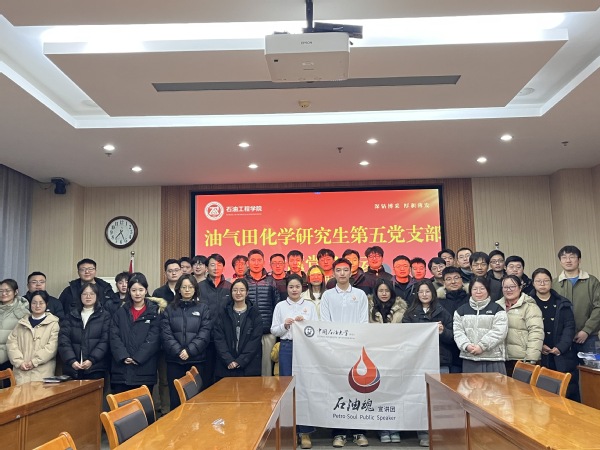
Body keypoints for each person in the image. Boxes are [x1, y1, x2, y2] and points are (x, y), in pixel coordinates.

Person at [321, 258, 369, 448]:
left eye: (345, 270)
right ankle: (338, 433)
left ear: (351, 272)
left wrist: (355, 342)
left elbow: (363, 322)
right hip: (335, 350)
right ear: (333, 273)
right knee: (337, 390)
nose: (342, 273)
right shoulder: (327, 296)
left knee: (358, 389)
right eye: (338, 270)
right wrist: (335, 345)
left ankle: (359, 432)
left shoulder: (360, 294)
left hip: (356, 350)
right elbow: (325, 322)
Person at [403, 280, 454, 448]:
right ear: (416, 294)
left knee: (441, 400)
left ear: (433, 293)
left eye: (427, 291)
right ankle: (424, 433)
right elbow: (405, 337)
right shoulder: (410, 314)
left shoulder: (443, 312)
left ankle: (441, 433)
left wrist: (443, 332)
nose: (424, 294)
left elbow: (453, 337)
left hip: (440, 361)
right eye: (421, 292)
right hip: (418, 363)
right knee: (421, 399)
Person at [271, 274, 317, 449]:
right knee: (287, 389)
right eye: (291, 287)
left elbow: (316, 328)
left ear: (302, 287)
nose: (294, 290)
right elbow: (274, 330)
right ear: (287, 288)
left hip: (305, 347)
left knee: (305, 387)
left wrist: (305, 325)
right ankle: (289, 431)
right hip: (287, 347)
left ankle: (305, 432)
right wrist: (285, 326)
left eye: (297, 286)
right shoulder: (280, 306)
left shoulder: (309, 306)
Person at [161, 274, 211, 410]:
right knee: (175, 399)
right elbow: (166, 334)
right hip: (175, 361)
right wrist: (179, 351)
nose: (187, 290)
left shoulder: (203, 308)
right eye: (184, 287)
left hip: (196, 360)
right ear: (178, 289)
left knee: (196, 400)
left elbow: (205, 333)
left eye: (190, 287)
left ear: (195, 289)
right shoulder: (170, 309)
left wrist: (189, 351)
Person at [367, 278, 407, 444]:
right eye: (380, 291)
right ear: (376, 292)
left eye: (387, 291)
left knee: (395, 392)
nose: (384, 294)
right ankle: (383, 429)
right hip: (375, 355)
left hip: (396, 356)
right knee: (379, 392)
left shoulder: (402, 309)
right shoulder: (368, 308)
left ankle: (395, 428)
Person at [110, 273, 163, 394]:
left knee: (143, 404)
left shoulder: (154, 312)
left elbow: (154, 339)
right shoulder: (120, 312)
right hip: (121, 369)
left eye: (141, 290)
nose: (137, 293)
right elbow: (114, 336)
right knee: (121, 404)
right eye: (134, 290)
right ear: (129, 291)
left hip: (145, 369)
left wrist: (138, 358)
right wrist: (123, 356)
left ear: (146, 291)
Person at [530, 268, 579, 401]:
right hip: (539, 353)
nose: (542, 284)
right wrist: (539, 345)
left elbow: (569, 327)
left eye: (546, 281)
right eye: (538, 281)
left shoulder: (562, 302)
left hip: (561, 353)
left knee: (566, 391)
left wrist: (561, 347)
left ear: (551, 282)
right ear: (533, 283)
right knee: (541, 394)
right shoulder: (528, 302)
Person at [552, 245, 600, 358]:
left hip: (588, 337)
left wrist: (586, 330)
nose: (568, 260)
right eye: (564, 257)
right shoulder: (554, 284)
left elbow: (598, 308)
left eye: (572, 257)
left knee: (590, 368)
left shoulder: (592, 281)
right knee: (566, 369)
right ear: (560, 261)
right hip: (562, 338)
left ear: (579, 260)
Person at [453, 276, 508, 374]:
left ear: (488, 290)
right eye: (475, 289)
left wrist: (482, 346)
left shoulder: (497, 309)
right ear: (470, 291)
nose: (478, 292)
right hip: (469, 358)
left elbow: (499, 332)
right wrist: (466, 345)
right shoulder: (461, 311)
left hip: (493, 359)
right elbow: (458, 332)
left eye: (482, 288)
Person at [58, 282, 111, 380]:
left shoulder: (105, 316)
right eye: (85, 294)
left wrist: (92, 360)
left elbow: (105, 341)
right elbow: (63, 340)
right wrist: (72, 360)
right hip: (73, 369)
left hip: (96, 368)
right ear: (80, 296)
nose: (88, 297)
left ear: (97, 296)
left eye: (91, 294)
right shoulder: (71, 315)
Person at [213, 279, 262, 381]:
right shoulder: (223, 312)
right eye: (235, 290)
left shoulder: (254, 313)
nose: (238, 293)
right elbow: (219, 338)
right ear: (231, 292)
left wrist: (241, 361)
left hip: (248, 366)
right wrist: (228, 360)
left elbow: (255, 340)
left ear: (247, 292)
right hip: (226, 366)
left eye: (242, 290)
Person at [7, 290, 59, 384]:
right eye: (34, 303)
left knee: (39, 393)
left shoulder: (53, 324)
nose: (37, 306)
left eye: (41, 303)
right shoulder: (21, 323)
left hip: (42, 372)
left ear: (46, 304)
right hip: (21, 372)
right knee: (20, 393)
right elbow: (11, 343)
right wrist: (19, 362)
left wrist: (34, 361)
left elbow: (52, 347)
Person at [496, 275, 544, 376]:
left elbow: (536, 332)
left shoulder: (530, 307)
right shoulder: (496, 306)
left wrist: (531, 359)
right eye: (505, 287)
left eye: (512, 287)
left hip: (523, 359)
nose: (508, 290)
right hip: (501, 359)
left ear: (520, 287)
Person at [198, 253, 232, 388]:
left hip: (224, 339)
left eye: (219, 265)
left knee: (223, 377)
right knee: (206, 376)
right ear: (206, 268)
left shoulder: (229, 287)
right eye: (212, 265)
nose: (216, 268)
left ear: (223, 267)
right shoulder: (199, 287)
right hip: (205, 339)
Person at [245, 249, 280, 376]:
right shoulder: (243, 281)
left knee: (267, 366)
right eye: (253, 260)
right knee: (248, 364)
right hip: (247, 331)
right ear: (248, 263)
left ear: (264, 262)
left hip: (267, 331)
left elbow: (277, 306)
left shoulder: (271, 281)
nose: (256, 263)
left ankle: (267, 388)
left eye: (259, 260)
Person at [437, 267, 469, 373]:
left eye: (456, 278)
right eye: (448, 279)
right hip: (447, 351)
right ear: (443, 282)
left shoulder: (471, 298)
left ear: (462, 280)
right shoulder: (438, 302)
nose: (453, 282)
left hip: (469, 349)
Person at [1, 279, 31, 383]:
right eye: (1, 291)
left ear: (16, 292)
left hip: (9, 359)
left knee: (8, 390)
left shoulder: (23, 312)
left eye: (7, 290)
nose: (3, 294)